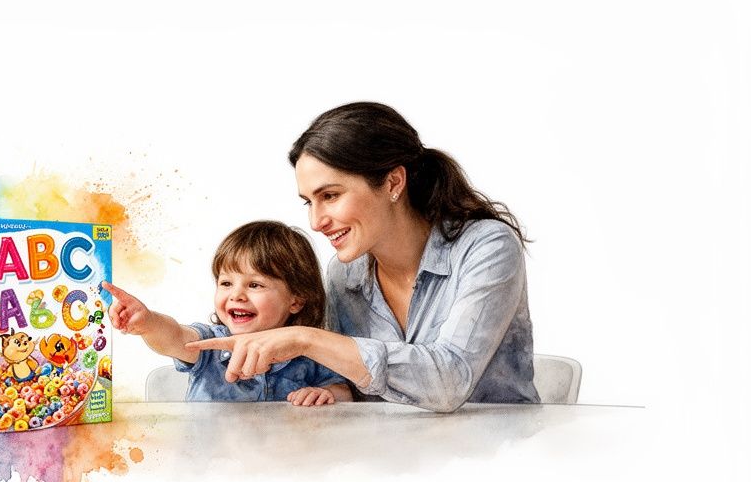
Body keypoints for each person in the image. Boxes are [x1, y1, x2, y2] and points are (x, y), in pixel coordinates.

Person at [188, 102, 540, 412]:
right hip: (382, 464)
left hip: (496, 458)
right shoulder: (345, 274)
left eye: (331, 195)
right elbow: (349, 388)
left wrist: (307, 339)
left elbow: (449, 381)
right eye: (309, 201)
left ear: (392, 183)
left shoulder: (486, 247)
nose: (316, 221)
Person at [104, 220, 352, 406]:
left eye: (254, 285)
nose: (237, 295)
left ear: (296, 301)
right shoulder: (211, 344)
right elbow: (176, 337)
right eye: (226, 283)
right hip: (211, 467)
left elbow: (345, 393)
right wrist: (148, 321)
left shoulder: (311, 351)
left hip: (281, 467)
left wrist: (327, 395)